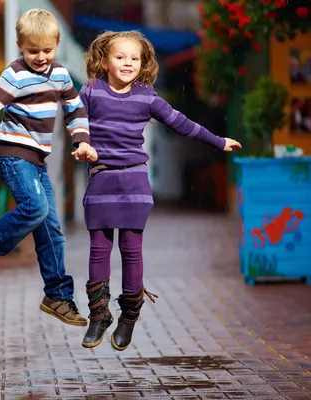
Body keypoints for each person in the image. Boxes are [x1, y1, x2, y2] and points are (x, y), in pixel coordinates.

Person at [78, 31, 241, 350]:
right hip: (101, 179)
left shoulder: (147, 97)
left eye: (134, 58)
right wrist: (81, 143)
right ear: (104, 60)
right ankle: (99, 315)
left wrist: (218, 141)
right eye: (120, 57)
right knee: (98, 249)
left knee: (130, 249)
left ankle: (128, 318)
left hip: (135, 182)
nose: (127, 63)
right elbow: (75, 120)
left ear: (144, 63)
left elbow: (181, 122)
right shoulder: (91, 91)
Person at [0, 9, 98, 326]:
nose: (40, 57)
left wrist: (81, 140)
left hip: (37, 161)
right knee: (36, 208)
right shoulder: (14, 76)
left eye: (47, 51)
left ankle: (57, 295)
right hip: (12, 155)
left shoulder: (61, 75)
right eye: (32, 51)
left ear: (56, 46)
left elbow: (74, 110)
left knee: (52, 231)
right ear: (19, 46)